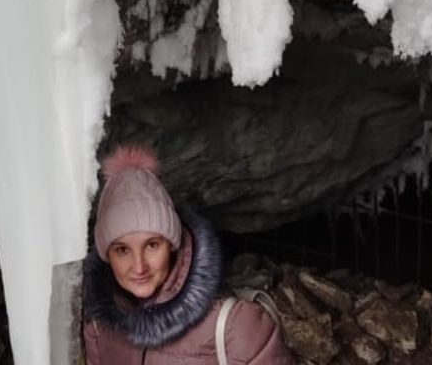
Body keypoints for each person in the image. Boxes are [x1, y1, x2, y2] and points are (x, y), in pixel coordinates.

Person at [82, 146, 293, 364]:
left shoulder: (235, 326)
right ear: (106, 255)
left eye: (152, 245)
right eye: (122, 250)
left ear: (172, 244)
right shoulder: (99, 327)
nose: (139, 267)